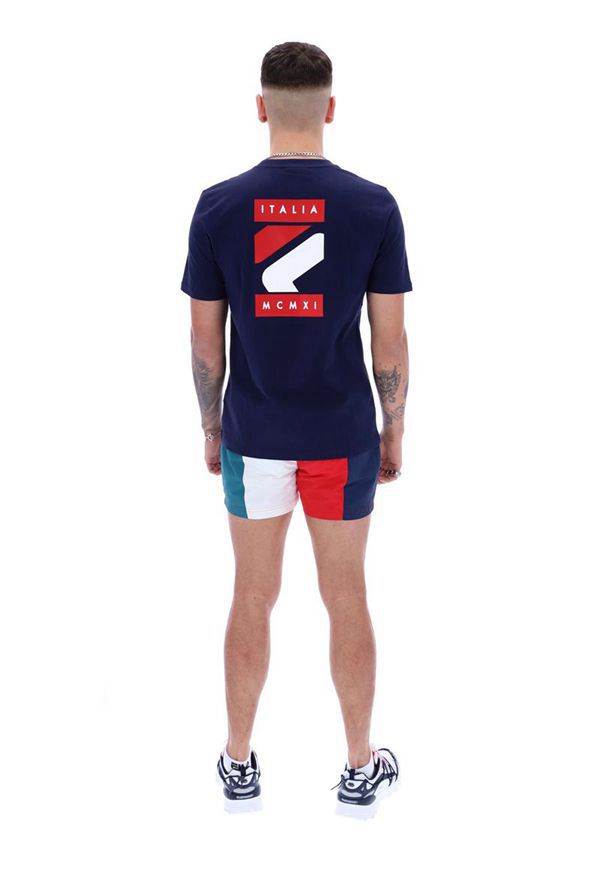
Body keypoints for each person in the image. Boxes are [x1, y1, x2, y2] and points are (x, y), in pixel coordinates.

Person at [181, 41, 412, 815]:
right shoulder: (373, 206)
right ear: (331, 108)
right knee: (347, 597)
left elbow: (205, 342)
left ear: (261, 108)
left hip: (254, 435)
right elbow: (389, 343)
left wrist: (211, 430)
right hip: (342, 437)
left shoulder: (218, 206)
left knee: (252, 594)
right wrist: (394, 429)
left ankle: (238, 763)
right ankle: (359, 769)